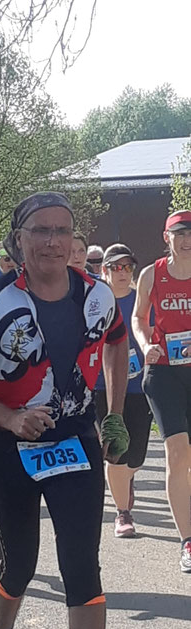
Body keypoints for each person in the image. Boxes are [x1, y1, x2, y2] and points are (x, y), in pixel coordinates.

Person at [0, 192, 129, 629]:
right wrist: (8, 418)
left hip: (76, 440)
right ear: (19, 238)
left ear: (72, 240)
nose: (52, 241)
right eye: (40, 231)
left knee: (82, 564)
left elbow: (116, 340)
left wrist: (115, 414)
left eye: (61, 231)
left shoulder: (97, 294)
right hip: (9, 445)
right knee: (20, 562)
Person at [132, 209, 191, 573]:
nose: (186, 241)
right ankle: (188, 540)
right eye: (179, 234)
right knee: (177, 452)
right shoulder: (152, 273)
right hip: (163, 372)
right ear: (166, 238)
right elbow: (139, 317)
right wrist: (144, 345)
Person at [96, 244, 153, 538]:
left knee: (137, 456)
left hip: (139, 386)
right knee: (114, 450)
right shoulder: (96, 301)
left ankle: (125, 479)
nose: (122, 273)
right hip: (101, 388)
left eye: (127, 267)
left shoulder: (141, 302)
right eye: (116, 267)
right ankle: (123, 513)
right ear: (104, 270)